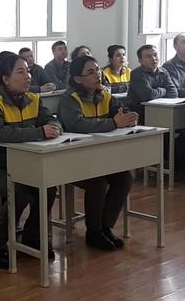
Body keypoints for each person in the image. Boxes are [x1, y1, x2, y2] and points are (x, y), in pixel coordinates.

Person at [0, 52, 59, 269]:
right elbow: (0, 134)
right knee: (19, 189)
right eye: (21, 72)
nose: (28, 76)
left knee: (47, 186)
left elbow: (50, 120)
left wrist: (53, 127)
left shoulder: (33, 99)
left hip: (24, 163)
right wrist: (38, 132)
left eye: (28, 71)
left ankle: (32, 237)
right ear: (5, 79)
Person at [58, 56, 138, 250]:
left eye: (98, 71)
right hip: (72, 159)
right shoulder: (70, 99)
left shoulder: (104, 94)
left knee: (124, 177)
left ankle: (105, 227)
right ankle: (93, 232)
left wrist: (127, 117)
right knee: (98, 183)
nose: (97, 75)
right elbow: (77, 124)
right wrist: (113, 123)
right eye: (91, 72)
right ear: (78, 79)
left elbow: (118, 114)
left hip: (99, 157)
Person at [126, 45, 177, 120]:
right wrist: (163, 90)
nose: (153, 58)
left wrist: (156, 92)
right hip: (140, 114)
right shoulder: (137, 74)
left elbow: (173, 93)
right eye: (148, 56)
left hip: (161, 111)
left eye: (155, 55)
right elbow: (148, 95)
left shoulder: (163, 71)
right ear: (140, 61)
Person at [162, 33, 185, 98]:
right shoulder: (169, 66)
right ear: (175, 46)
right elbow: (176, 91)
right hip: (177, 104)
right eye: (184, 42)